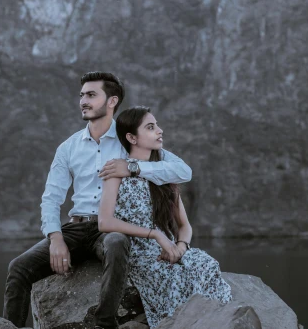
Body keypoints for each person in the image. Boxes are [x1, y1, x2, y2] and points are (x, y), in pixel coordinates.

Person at [3, 72, 192, 329]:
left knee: (116, 242)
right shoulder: (68, 147)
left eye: (91, 95)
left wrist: (134, 168)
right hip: (76, 227)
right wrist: (55, 238)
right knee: (18, 268)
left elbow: (183, 171)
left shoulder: (130, 140)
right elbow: (51, 198)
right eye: (82, 95)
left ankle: (104, 323)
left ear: (112, 101)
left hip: (113, 228)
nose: (83, 100)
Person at [98, 106, 232, 328]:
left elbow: (184, 226)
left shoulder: (164, 173)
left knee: (205, 264)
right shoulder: (115, 172)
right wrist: (156, 235)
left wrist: (180, 247)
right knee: (174, 280)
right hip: (140, 255)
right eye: (151, 127)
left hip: (171, 251)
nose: (160, 131)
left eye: (157, 125)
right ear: (131, 137)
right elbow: (105, 222)